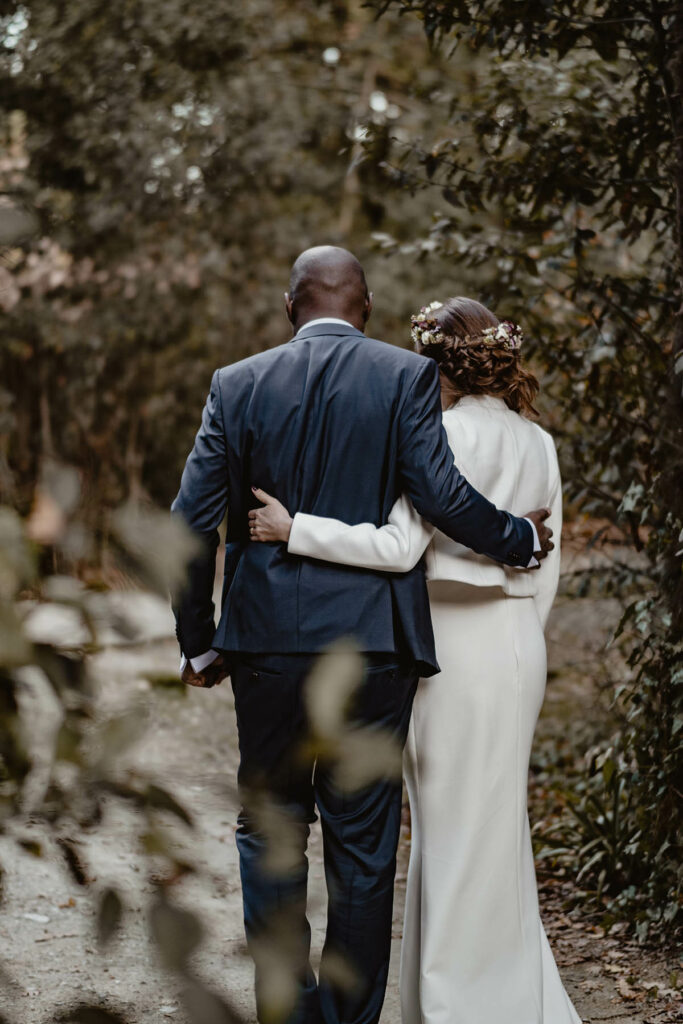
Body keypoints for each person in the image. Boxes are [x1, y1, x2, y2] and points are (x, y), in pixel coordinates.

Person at [171, 250, 554, 1024]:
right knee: (362, 843)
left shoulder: (235, 383)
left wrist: (199, 640)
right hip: (374, 646)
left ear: (289, 307)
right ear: (369, 309)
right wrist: (518, 538)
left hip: (267, 645)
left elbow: (187, 523)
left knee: (271, 826)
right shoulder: (402, 377)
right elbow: (440, 495)